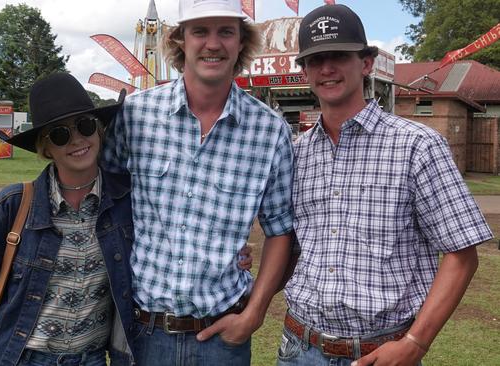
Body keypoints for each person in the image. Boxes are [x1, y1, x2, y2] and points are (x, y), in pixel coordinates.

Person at [278, 4, 493, 366]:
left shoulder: (417, 145)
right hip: (300, 346)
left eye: (339, 56)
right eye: (315, 59)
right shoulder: (297, 154)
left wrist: (415, 343)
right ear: (304, 70)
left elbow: (461, 254)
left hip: (382, 351)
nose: (327, 68)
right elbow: (296, 248)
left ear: (366, 62)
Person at [101, 0, 295, 364]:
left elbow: (281, 230)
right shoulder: (135, 116)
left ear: (241, 42)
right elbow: (104, 201)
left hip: (223, 338)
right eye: (200, 31)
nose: (213, 43)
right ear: (179, 40)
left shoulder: (270, 131)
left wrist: (254, 314)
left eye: (226, 32)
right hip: (144, 333)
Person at [0, 73, 134, 366]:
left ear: (99, 129)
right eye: (60, 134)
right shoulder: (11, 207)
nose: (77, 139)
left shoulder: (126, 204)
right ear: (46, 147)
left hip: (90, 359)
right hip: (21, 358)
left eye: (84, 125)